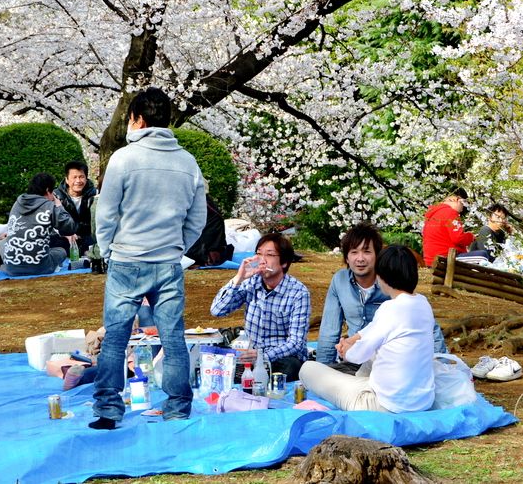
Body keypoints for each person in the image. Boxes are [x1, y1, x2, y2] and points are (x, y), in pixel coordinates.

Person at [90, 87, 207, 430]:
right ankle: (177, 408)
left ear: (138, 120)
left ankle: (109, 410)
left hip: (127, 258)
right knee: (172, 338)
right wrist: (177, 247)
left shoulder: (124, 159)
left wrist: (108, 249)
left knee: (115, 336)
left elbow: (106, 212)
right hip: (168, 262)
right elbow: (197, 218)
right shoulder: (187, 161)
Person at [299, 244, 436, 413]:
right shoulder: (422, 303)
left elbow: (357, 355)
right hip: (423, 402)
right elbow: (375, 328)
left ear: (382, 276)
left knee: (308, 369)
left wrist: (345, 350)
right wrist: (354, 339)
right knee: (378, 350)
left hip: (383, 405)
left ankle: (358, 388)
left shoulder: (390, 308)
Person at [318, 223, 447, 373]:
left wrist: (441, 365)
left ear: (378, 255)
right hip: (354, 361)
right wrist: (324, 367)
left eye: (367, 252)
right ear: (346, 257)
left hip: (387, 362)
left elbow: (430, 328)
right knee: (316, 372)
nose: (360, 259)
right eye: (354, 252)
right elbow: (329, 329)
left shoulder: (392, 285)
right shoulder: (340, 281)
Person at [210, 232, 310, 381]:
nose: (262, 260)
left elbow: (296, 343)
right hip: (250, 354)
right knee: (216, 359)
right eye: (258, 254)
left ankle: (252, 377)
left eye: (269, 255)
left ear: (284, 262)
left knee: (290, 367)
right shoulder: (252, 282)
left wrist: (262, 356)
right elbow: (217, 310)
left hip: (280, 357)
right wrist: (239, 278)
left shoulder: (298, 292)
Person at [0, 173, 77, 276]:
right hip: (39, 267)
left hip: (11, 269)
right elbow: (70, 228)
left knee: (2, 243)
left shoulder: (17, 203)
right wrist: (59, 206)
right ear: (47, 190)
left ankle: (14, 265)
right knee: (61, 251)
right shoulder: (49, 206)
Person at [52, 160, 97, 255]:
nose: (78, 181)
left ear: (86, 178)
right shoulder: (56, 196)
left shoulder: (95, 195)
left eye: (81, 177)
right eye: (74, 177)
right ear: (67, 180)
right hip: (65, 238)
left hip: (88, 237)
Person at [421, 188, 474, 267]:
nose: (462, 208)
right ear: (457, 199)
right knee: (483, 256)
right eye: (463, 204)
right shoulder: (450, 212)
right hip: (446, 259)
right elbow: (458, 238)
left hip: (431, 260)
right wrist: (470, 237)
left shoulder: (432, 215)